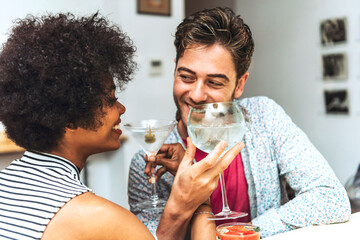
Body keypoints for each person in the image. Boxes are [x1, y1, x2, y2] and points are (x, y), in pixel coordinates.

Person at [0, 12, 245, 240]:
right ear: (69, 116)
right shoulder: (101, 218)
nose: (121, 109)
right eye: (110, 99)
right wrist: (197, 200)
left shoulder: (6, 183)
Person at [128, 7, 351, 238]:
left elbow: (331, 198)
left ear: (240, 84)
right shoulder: (149, 164)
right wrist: (181, 203)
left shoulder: (264, 117)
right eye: (186, 77)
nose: (195, 94)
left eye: (214, 82)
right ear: (174, 69)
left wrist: (242, 233)